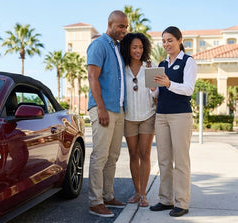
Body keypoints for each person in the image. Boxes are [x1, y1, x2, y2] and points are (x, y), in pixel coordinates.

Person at [149, 26, 197, 217]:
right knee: (164, 160)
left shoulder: (188, 61)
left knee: (181, 161)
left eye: (170, 40)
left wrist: (169, 83)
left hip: (180, 116)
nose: (166, 44)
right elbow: (157, 93)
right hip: (161, 116)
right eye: (163, 41)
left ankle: (182, 203)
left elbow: (188, 89)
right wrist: (153, 88)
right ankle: (165, 199)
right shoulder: (162, 64)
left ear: (179, 40)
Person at [87, 10, 128, 218]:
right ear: (110, 24)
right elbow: (93, 77)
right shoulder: (99, 45)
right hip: (103, 108)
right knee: (100, 155)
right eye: (120, 26)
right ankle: (95, 202)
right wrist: (101, 108)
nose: (124, 30)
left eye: (126, 27)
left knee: (113, 156)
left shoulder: (118, 49)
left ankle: (107, 195)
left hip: (118, 109)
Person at [119, 32, 156, 208]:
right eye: (134, 47)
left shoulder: (149, 67)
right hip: (128, 117)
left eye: (141, 47)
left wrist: (155, 88)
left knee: (144, 154)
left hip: (148, 115)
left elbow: (156, 94)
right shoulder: (122, 68)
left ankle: (143, 195)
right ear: (127, 48)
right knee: (133, 154)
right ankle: (136, 191)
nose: (138, 50)